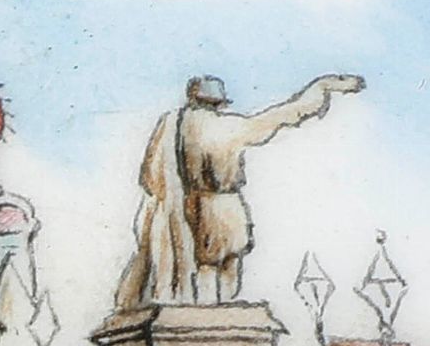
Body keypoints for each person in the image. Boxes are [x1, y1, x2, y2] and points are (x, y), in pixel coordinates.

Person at [116, 72, 364, 308]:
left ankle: (206, 312)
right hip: (224, 206)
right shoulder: (225, 127)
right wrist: (320, 90)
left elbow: (149, 177)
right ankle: (218, 315)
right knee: (226, 266)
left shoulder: (172, 126)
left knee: (204, 268)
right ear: (218, 103)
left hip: (190, 206)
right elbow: (277, 118)